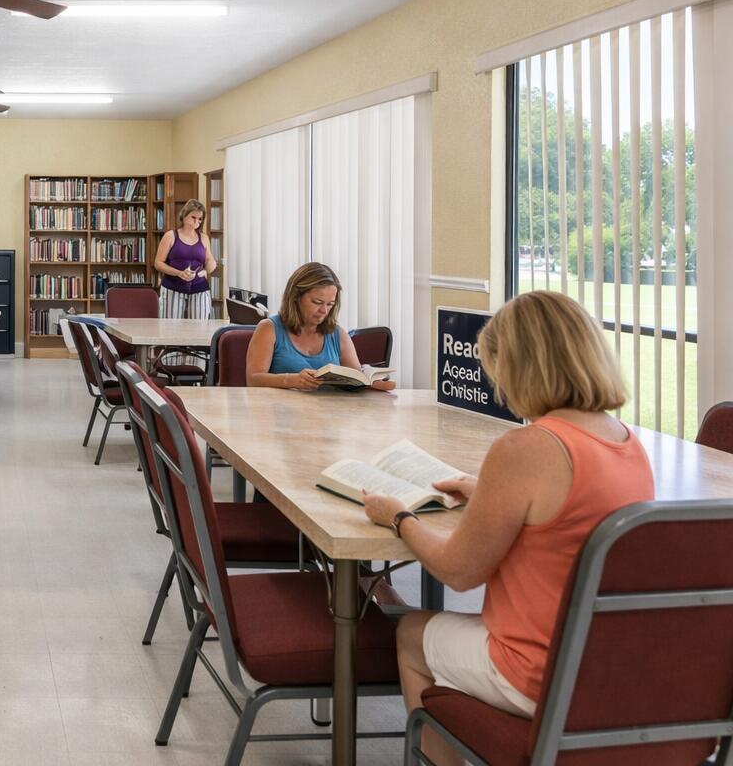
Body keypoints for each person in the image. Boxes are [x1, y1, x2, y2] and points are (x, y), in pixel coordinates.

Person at [362, 291, 653, 765]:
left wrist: (398, 517)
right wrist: (487, 493)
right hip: (607, 665)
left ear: (520, 366)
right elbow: (564, 515)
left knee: (411, 632)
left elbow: (458, 572)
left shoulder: (526, 447)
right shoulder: (626, 442)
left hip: (536, 672)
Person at [244, 261, 394, 391]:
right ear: (295, 297)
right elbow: (253, 379)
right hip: (282, 417)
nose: (324, 311)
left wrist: (371, 382)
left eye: (330, 304)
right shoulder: (269, 328)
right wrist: (292, 380)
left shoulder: (338, 334)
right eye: (316, 302)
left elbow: (357, 377)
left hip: (329, 416)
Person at [152, 198, 217, 320]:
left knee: (200, 330)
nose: (197, 221)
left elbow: (210, 261)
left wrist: (206, 271)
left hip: (200, 289)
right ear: (184, 215)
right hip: (172, 288)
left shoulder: (204, 238)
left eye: (200, 219)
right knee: (170, 330)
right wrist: (179, 273)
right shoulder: (170, 236)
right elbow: (158, 263)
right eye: (193, 217)